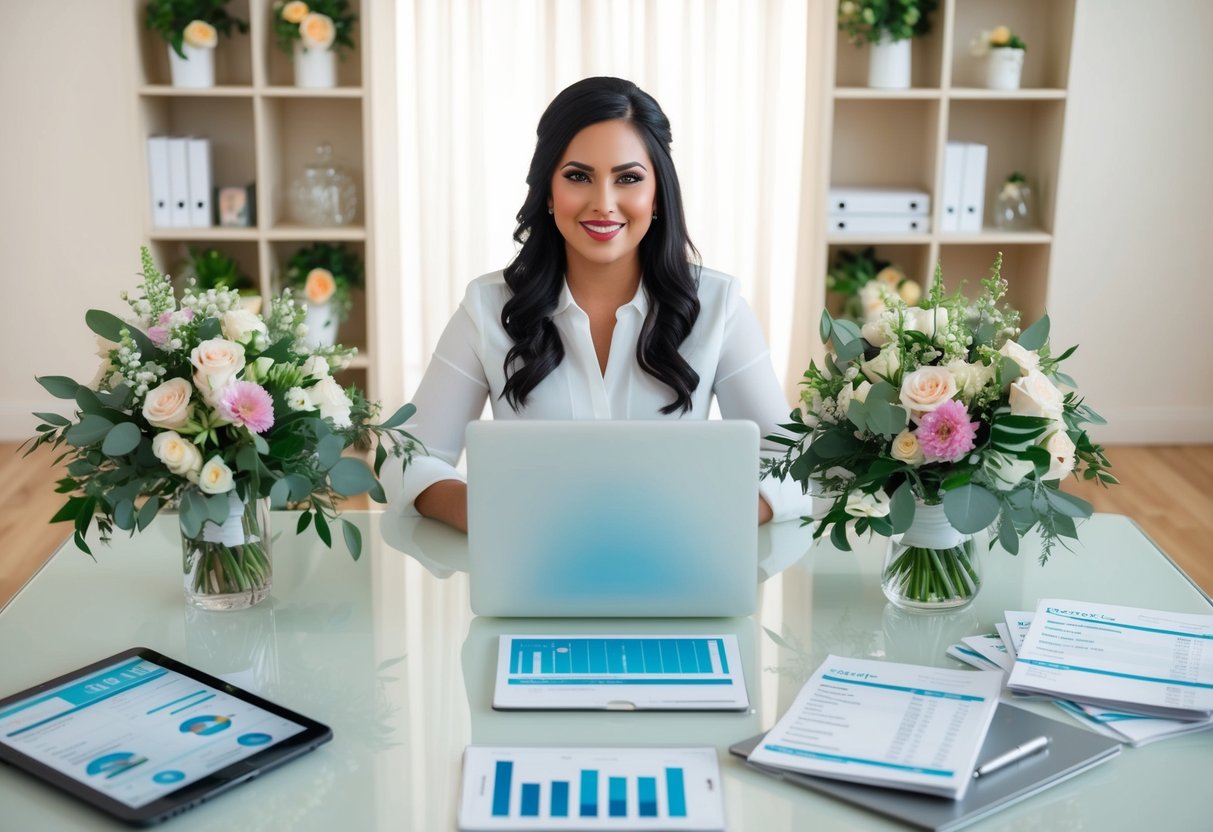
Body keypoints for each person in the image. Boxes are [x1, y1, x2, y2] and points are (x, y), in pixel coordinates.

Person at [384, 76, 811, 532]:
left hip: (678, 568)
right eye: (578, 177)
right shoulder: (487, 307)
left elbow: (796, 464)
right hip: (532, 570)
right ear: (549, 193)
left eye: (628, 178)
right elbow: (406, 458)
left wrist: (714, 518)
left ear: (657, 195)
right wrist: (487, 513)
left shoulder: (718, 305)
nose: (604, 204)